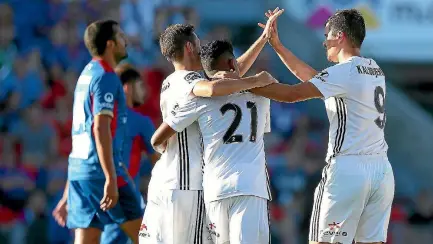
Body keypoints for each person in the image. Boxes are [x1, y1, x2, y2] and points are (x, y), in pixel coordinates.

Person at [250, 8, 394, 244]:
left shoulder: (344, 73)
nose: (324, 42)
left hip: (348, 168)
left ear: (340, 37)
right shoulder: (373, 68)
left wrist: (244, 85)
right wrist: (278, 47)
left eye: (327, 35)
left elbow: (292, 94)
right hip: (381, 172)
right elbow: (315, 79)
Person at [139, 10, 282, 244]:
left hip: (164, 181)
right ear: (188, 47)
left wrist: (262, 39)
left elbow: (230, 77)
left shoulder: (170, 81)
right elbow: (216, 88)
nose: (201, 46)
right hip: (187, 185)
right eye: (197, 42)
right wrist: (257, 80)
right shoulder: (192, 83)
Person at [52, 20, 142, 244]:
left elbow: (79, 137)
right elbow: (99, 127)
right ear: (110, 44)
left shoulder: (86, 75)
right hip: (103, 174)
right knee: (150, 237)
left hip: (80, 174)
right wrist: (111, 178)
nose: (126, 41)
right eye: (121, 36)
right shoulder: (107, 77)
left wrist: (69, 190)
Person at [101, 64, 160, 243]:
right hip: (123, 193)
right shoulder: (141, 122)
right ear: (127, 88)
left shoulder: (101, 120)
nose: (144, 91)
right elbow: (159, 164)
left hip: (97, 189)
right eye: (140, 86)